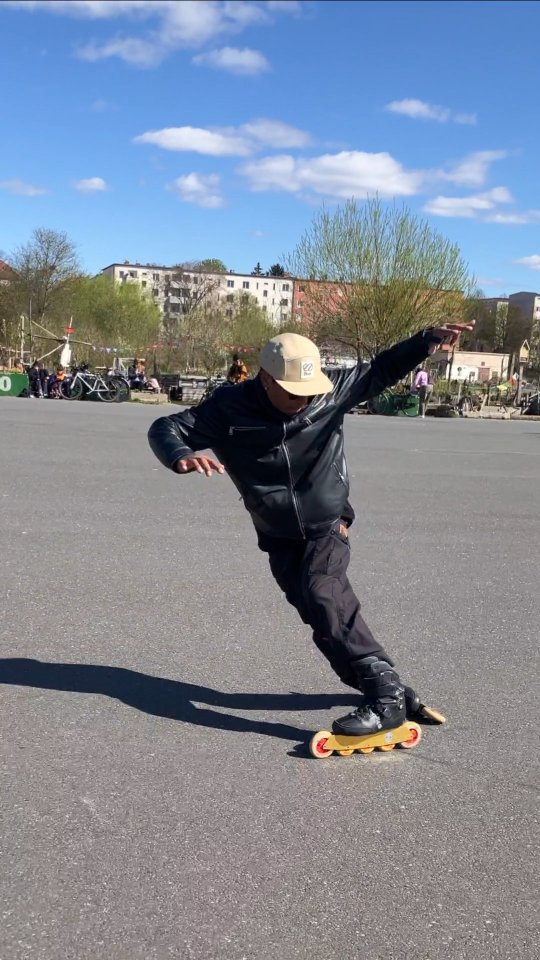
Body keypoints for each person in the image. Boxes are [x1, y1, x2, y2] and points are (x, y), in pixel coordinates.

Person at [148, 322, 472, 738]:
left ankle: (386, 698)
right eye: (290, 392)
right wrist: (180, 455)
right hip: (276, 531)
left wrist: (426, 341)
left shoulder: (330, 390)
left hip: (328, 522)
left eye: (307, 392)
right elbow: (166, 428)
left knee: (324, 592)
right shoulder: (227, 408)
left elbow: (382, 368)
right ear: (264, 378)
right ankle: (383, 686)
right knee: (317, 614)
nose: (302, 401)